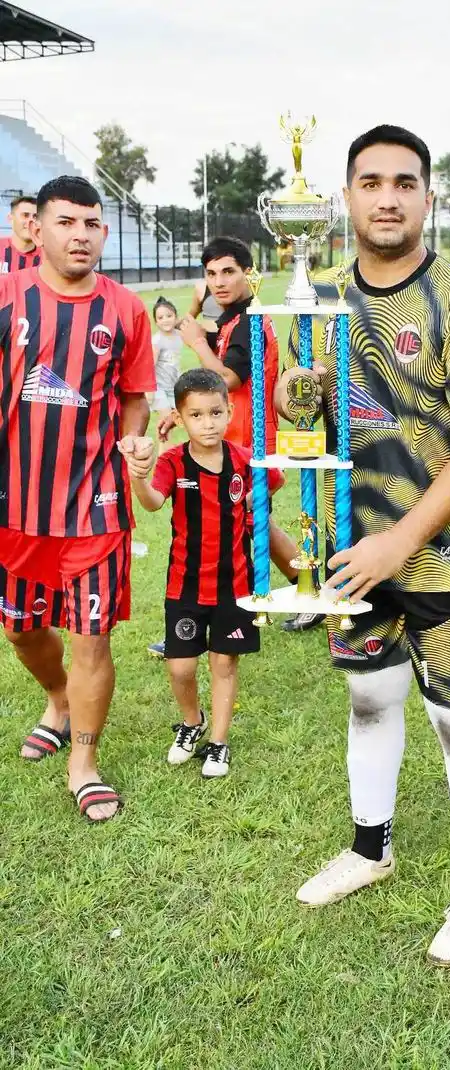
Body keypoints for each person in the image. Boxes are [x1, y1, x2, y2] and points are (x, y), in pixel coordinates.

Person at [277, 125, 450, 965]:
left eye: (404, 183)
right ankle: (369, 849)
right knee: (369, 699)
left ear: (428, 197)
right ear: (345, 196)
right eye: (371, 181)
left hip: (447, 557)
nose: (387, 197)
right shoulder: (318, 302)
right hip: (353, 550)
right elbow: (306, 425)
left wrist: (400, 543)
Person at [0, 175, 154, 821]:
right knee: (24, 630)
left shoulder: (125, 310)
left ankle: (83, 762)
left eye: (91, 224)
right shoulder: (6, 296)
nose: (80, 235)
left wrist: (134, 445)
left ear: (104, 232)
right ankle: (59, 701)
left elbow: (135, 397)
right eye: (67, 223)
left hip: (95, 506)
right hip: (14, 508)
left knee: (93, 639)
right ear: (37, 228)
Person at [147, 236, 323, 657]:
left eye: (228, 271)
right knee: (245, 522)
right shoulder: (230, 317)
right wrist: (185, 413)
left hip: (244, 442)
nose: (220, 281)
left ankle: (208, 619)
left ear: (249, 273)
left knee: (233, 526)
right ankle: (305, 593)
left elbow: (228, 380)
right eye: (211, 274)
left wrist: (195, 343)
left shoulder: (250, 319)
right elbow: (214, 388)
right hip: (225, 436)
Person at [123, 369, 270, 778]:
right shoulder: (173, 461)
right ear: (181, 418)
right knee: (180, 667)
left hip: (236, 587)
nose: (207, 423)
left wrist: (254, 508)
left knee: (224, 664)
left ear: (229, 411)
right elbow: (153, 502)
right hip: (185, 585)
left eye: (215, 413)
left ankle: (219, 743)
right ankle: (192, 721)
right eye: (197, 415)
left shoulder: (245, 460)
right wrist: (138, 479)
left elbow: (271, 481)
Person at [150, 297, 183, 454]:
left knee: (174, 421)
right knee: (166, 422)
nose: (165, 320)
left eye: (169, 316)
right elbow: (150, 367)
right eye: (160, 318)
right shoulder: (157, 341)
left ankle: (167, 457)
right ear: (156, 322)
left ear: (175, 316)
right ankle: (165, 460)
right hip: (159, 388)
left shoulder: (179, 335)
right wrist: (149, 393)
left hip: (173, 386)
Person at [0, 194, 41, 273]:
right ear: (10, 219)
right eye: (25, 215)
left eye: (35, 217)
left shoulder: (48, 258)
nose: (30, 221)